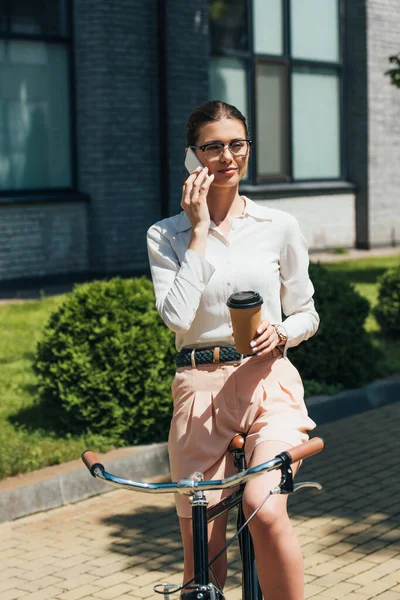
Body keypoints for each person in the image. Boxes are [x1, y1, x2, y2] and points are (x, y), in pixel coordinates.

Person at [147, 100, 319, 600]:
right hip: (198, 391)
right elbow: (177, 318)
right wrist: (198, 229)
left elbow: (307, 312)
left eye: (236, 144)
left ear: (248, 148)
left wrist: (283, 333)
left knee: (263, 510)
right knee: (204, 561)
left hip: (269, 383)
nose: (226, 156)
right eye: (213, 146)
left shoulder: (278, 226)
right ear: (191, 157)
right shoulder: (165, 235)